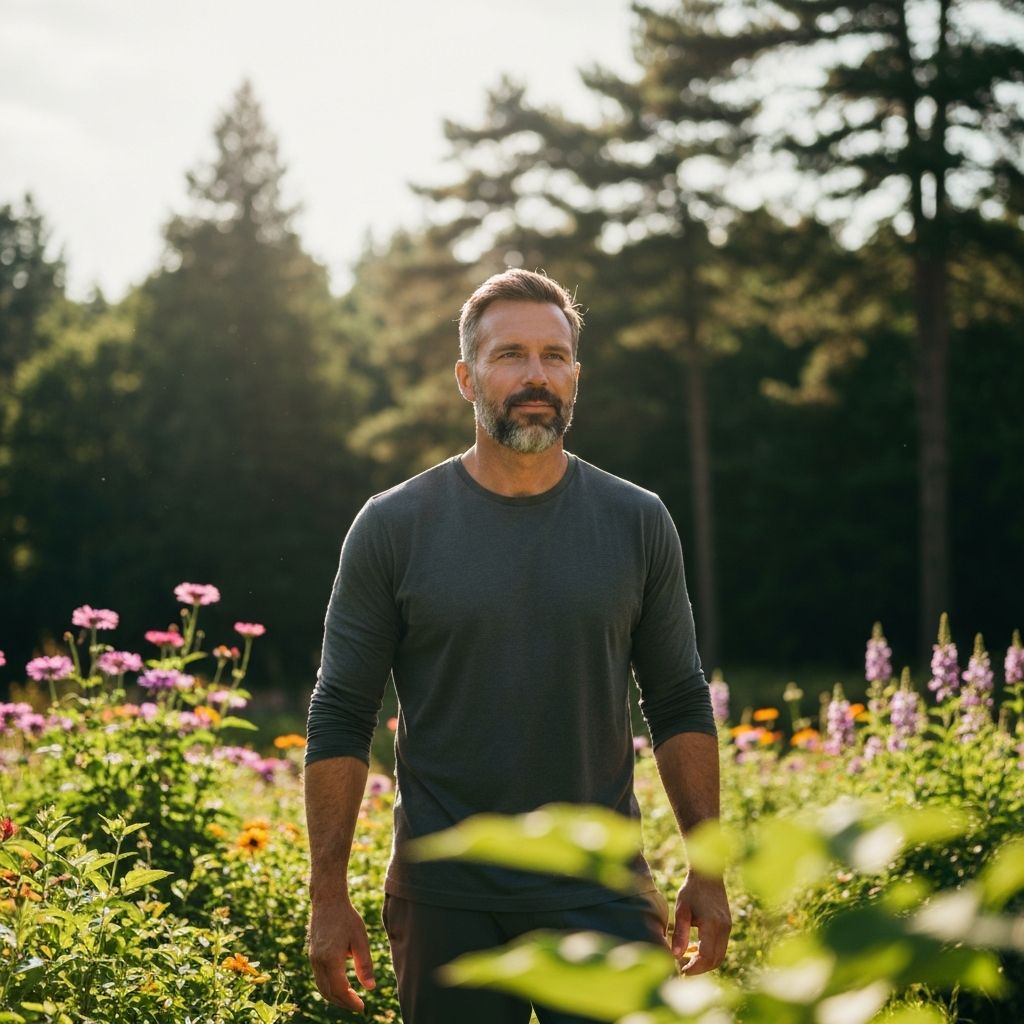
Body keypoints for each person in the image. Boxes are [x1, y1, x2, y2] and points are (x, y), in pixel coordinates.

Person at [304, 268, 731, 1023]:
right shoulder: (393, 526)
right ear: (467, 378)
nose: (536, 376)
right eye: (510, 356)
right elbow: (341, 712)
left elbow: (677, 700)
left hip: (603, 894)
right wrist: (327, 895)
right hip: (447, 902)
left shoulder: (638, 521)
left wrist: (709, 868)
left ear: (576, 375)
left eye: (554, 356)